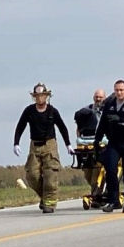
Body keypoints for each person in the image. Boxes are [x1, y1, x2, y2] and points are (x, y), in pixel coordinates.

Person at [14, 83, 73, 213]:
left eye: (42, 95)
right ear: (34, 97)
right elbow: (20, 126)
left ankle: (50, 205)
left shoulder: (52, 111)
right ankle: (45, 197)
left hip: (49, 145)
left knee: (50, 177)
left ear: (46, 96)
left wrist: (68, 144)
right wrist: (16, 143)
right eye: (37, 95)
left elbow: (62, 128)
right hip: (34, 146)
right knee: (32, 176)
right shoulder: (29, 111)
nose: (40, 98)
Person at [93, 80, 124, 213]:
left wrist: (120, 121)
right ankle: (113, 201)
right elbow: (102, 124)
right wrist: (96, 141)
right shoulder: (109, 105)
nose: (119, 92)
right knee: (110, 169)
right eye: (117, 90)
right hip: (114, 142)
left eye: (121, 90)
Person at [74, 89, 106, 203]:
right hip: (87, 144)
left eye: (100, 97)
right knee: (87, 172)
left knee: (98, 170)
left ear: (104, 98)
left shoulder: (107, 111)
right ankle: (96, 192)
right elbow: (79, 127)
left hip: (102, 144)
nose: (98, 99)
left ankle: (96, 195)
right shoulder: (87, 111)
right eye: (96, 97)